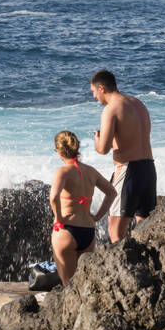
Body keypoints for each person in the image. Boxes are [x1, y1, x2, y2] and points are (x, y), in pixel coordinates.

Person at [90, 69, 155, 242]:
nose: (94, 97)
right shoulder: (138, 104)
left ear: (102, 88)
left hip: (128, 169)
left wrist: (97, 140)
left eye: (94, 92)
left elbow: (103, 149)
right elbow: (131, 137)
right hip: (149, 167)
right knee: (144, 227)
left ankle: (123, 268)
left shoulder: (111, 109)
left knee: (115, 229)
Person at [50, 130, 116, 285]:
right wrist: (98, 216)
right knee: (83, 285)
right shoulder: (91, 171)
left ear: (59, 152)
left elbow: (53, 197)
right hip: (88, 232)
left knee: (68, 285)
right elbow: (112, 192)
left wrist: (58, 218)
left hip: (67, 230)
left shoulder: (63, 171)